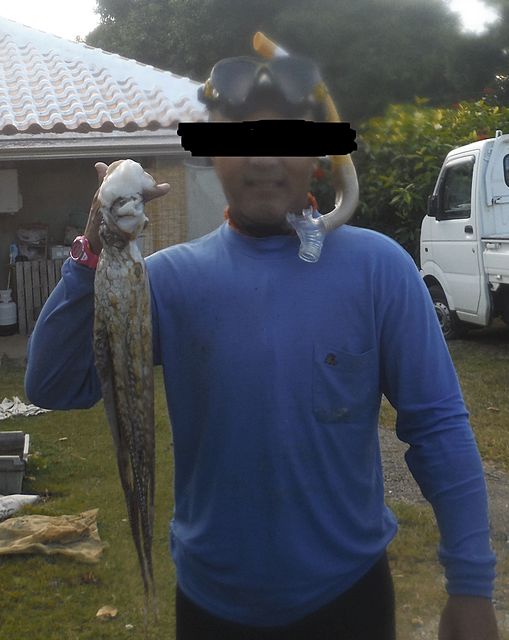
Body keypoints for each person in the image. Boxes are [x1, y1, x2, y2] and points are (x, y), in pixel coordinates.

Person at [25, 51, 500, 640]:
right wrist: (94, 250)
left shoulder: (378, 269)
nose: (265, 158)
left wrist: (471, 588)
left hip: (349, 599)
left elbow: (439, 427)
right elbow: (55, 385)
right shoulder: (169, 282)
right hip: (212, 605)